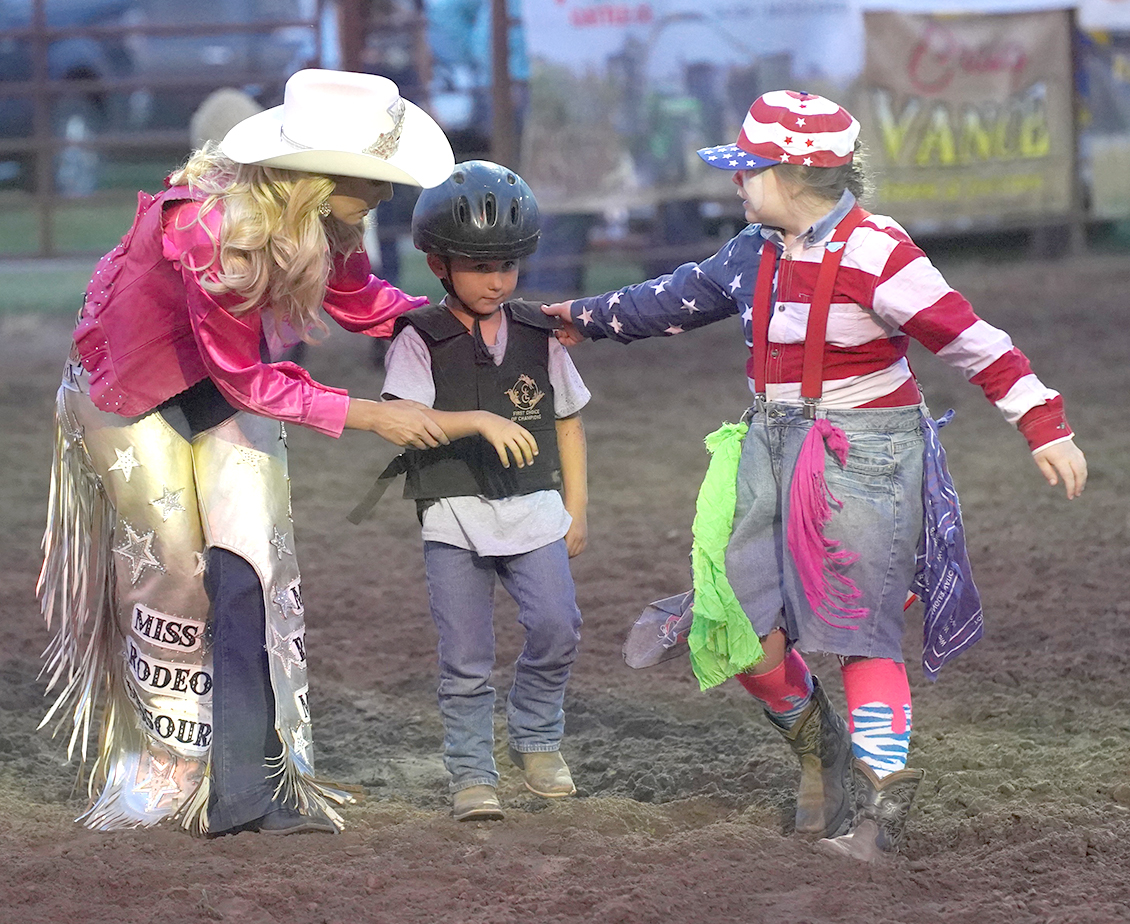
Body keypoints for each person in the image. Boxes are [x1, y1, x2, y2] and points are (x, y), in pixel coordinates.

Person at [543, 90, 1087, 861]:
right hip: (770, 449)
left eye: (747, 169)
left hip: (866, 459)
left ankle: (880, 804)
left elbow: (973, 341)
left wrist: (1043, 423)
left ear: (789, 174)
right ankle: (821, 755)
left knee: (863, 632)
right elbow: (670, 298)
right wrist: (581, 317)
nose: (736, 183)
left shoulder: (881, 254)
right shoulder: (749, 251)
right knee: (741, 628)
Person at [36, 68, 456, 837]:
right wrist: (371, 415)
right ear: (327, 175)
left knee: (250, 571)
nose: (390, 197)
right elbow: (246, 377)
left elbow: (361, 301)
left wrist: (445, 323)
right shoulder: (215, 228)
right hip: (132, 392)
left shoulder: (313, 219)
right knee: (171, 579)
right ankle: (168, 775)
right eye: (378, 180)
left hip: (209, 383)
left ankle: (248, 787)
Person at [377, 160, 588, 821]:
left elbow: (569, 420)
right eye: (478, 265)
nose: (496, 279)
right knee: (465, 657)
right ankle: (473, 774)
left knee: (558, 627)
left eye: (507, 264)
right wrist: (473, 421)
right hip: (453, 517)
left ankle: (536, 733)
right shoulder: (418, 339)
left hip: (534, 509)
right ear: (440, 264)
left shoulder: (538, 334)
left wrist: (577, 509)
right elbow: (400, 428)